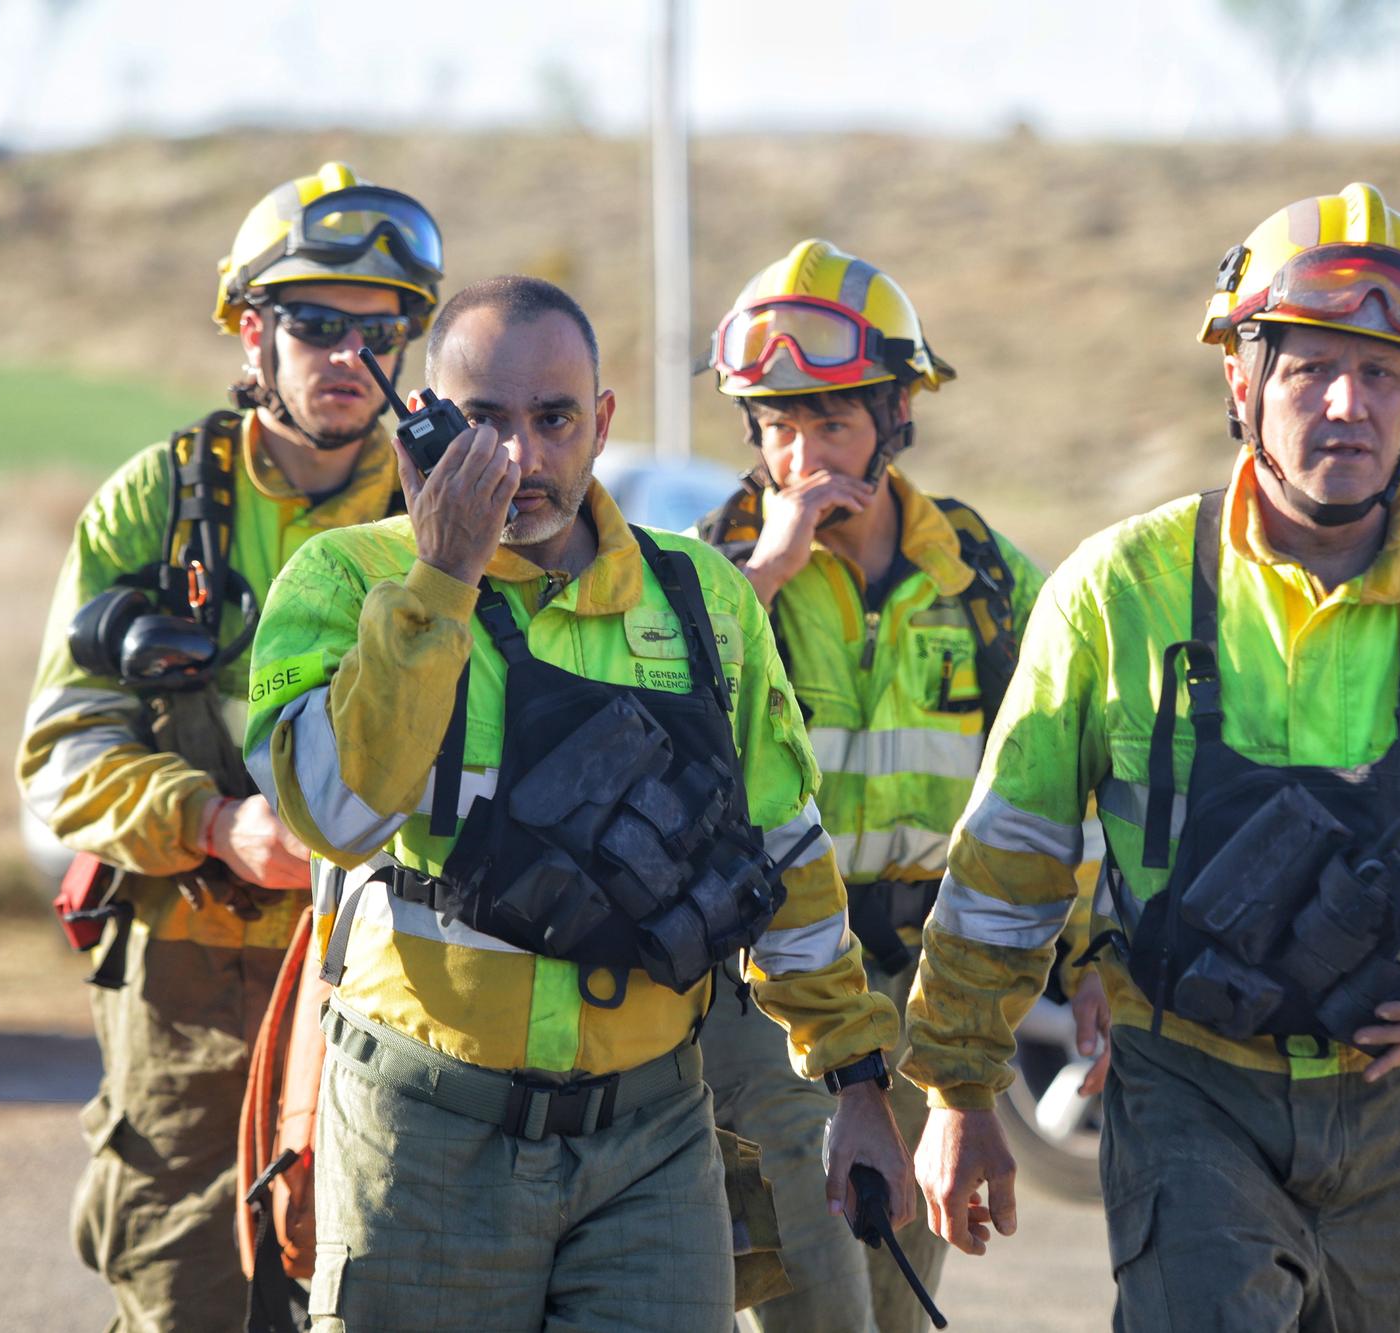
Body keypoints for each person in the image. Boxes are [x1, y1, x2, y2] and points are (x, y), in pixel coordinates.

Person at [901, 182, 1400, 1331]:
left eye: (1380, 372)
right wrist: (956, 1088)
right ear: (1240, 381)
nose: (1344, 404)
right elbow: (1012, 852)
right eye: (1307, 368)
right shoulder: (1117, 588)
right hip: (1187, 1084)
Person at [242, 274, 912, 1332]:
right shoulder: (342, 581)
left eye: (553, 419)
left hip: (651, 1140)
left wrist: (856, 1081)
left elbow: (784, 850)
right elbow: (333, 811)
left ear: (600, 422)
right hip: (424, 1138)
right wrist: (437, 584)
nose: (520, 458)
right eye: (481, 424)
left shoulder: (700, 597)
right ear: (423, 425)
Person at [17, 160, 442, 1330]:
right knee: (185, 1291)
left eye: (380, 330)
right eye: (315, 325)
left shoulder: (441, 512)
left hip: (398, 975)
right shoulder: (150, 505)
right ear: (252, 334)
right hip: (192, 982)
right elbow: (61, 750)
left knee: (388, 1288)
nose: (348, 358)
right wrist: (215, 825)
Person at [695, 238, 1110, 1333]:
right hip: (768, 998)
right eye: (776, 428)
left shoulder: (984, 584)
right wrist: (768, 573)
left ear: (895, 414)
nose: (801, 456)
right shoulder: (705, 576)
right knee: (811, 1304)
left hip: (922, 998)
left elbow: (1061, 785)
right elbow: (663, 734)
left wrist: (1092, 958)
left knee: (892, 1291)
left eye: (829, 422)